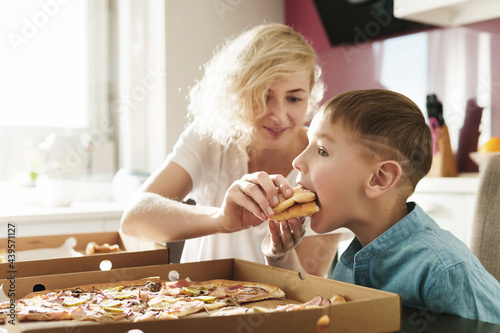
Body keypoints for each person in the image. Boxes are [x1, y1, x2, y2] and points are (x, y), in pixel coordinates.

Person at [239, 89, 500, 323]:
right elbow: (320, 312)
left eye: (321, 151)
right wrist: (280, 255)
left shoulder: (443, 271)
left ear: (379, 178)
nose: (297, 161)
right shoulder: (353, 260)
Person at [120, 23, 347, 277]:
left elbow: (309, 289)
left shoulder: (326, 163)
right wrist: (220, 219)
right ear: (238, 93)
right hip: (195, 304)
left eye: (294, 98)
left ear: (310, 96)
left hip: (275, 315)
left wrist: (280, 253)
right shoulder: (211, 136)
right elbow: (133, 219)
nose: (278, 115)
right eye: (262, 96)